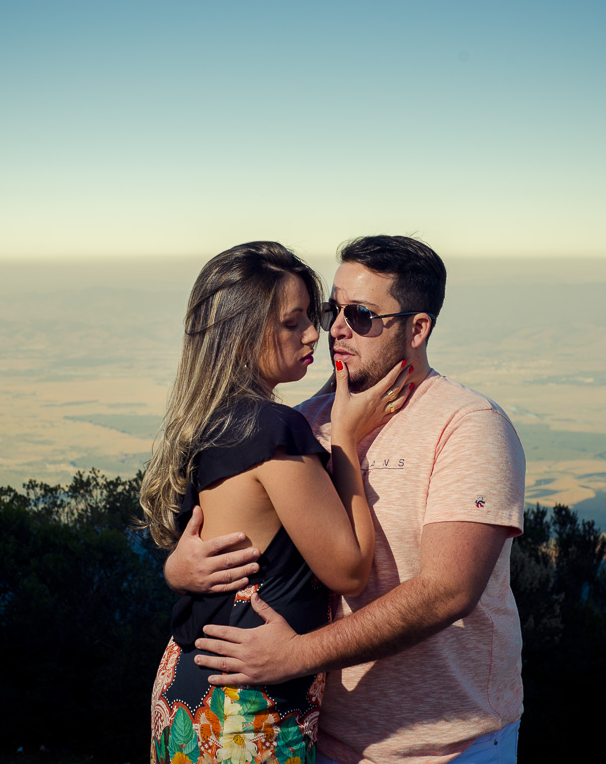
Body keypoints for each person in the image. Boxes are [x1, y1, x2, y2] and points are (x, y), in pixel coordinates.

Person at [166, 235, 526, 764]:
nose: (333, 328)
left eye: (360, 315)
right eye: (334, 309)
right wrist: (179, 567)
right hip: (316, 736)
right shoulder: (307, 419)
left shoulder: (468, 427)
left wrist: (296, 656)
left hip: (444, 747)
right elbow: (243, 534)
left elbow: (448, 591)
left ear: (417, 328)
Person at [141, 241, 413, 764]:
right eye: (293, 323)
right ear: (242, 332)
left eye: (315, 315)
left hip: (188, 691)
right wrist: (347, 442)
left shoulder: (208, 422)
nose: (316, 333)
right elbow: (349, 569)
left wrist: (175, 569)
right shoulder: (272, 427)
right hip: (247, 714)